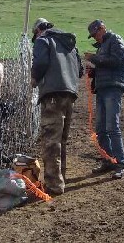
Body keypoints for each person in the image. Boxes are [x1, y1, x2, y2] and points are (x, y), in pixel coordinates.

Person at [30, 18, 84, 195]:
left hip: (52, 94)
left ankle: (53, 185)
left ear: (38, 30)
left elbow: (40, 63)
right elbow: (80, 70)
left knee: (51, 142)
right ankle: (62, 178)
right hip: (69, 94)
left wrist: (34, 78)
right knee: (61, 140)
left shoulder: (42, 40)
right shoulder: (69, 43)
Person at [84, 19, 124, 179]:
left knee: (112, 127)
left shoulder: (116, 40)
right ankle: (108, 160)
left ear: (102, 29)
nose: (95, 37)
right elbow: (106, 65)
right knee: (101, 129)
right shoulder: (103, 46)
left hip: (113, 87)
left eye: (95, 34)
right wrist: (93, 71)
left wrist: (94, 59)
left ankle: (120, 163)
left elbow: (116, 61)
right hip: (102, 88)